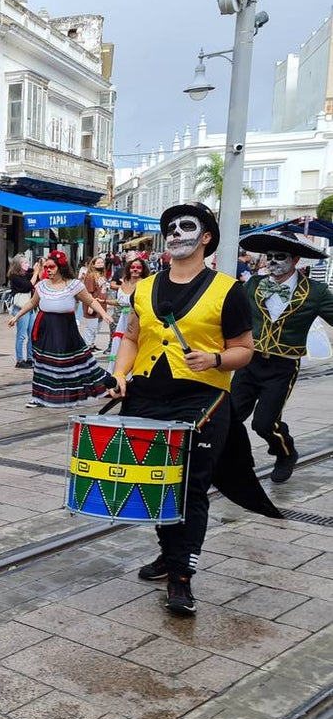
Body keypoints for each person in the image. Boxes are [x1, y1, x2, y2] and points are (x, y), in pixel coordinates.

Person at [109, 202, 255, 617]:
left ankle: (181, 577)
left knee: (190, 488)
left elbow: (244, 349)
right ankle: (167, 555)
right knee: (155, 483)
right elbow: (132, 337)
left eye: (185, 227)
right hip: (147, 396)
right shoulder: (144, 287)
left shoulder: (228, 290)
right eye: (169, 228)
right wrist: (120, 373)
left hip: (202, 400)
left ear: (206, 237)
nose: (175, 234)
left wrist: (215, 360)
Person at [231, 229, 333, 483]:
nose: (272, 262)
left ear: (295, 259)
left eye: (280, 256)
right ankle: (235, 461)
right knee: (230, 417)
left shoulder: (316, 292)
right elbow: (229, 316)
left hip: (282, 367)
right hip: (248, 361)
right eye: (269, 256)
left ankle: (285, 452)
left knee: (264, 424)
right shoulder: (252, 285)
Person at [7, 250, 114, 408]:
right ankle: (39, 397)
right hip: (44, 327)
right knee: (42, 363)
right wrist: (17, 316)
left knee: (73, 362)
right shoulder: (42, 285)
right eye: (46, 267)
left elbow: (90, 301)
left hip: (65, 329)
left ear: (61, 267)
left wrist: (104, 313)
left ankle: (108, 385)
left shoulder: (74, 285)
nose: (48, 269)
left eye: (51, 266)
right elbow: (32, 303)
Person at [108, 257, 147, 371]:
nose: (135, 270)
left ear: (142, 269)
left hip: (136, 319)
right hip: (122, 319)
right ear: (129, 268)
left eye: (138, 267)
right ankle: (117, 373)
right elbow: (120, 302)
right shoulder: (124, 282)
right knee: (119, 345)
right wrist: (104, 302)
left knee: (133, 344)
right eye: (133, 267)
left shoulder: (145, 283)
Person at [8, 255, 36, 368]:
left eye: (27, 262)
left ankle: (30, 358)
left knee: (32, 334)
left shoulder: (27, 274)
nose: (27, 265)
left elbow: (34, 273)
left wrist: (38, 267)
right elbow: (28, 286)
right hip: (20, 307)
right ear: (18, 265)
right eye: (24, 263)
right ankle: (19, 360)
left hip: (30, 307)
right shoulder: (14, 276)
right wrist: (35, 273)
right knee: (22, 335)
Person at [81, 257, 109, 350]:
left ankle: (92, 343)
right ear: (93, 264)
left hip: (102, 305)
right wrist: (90, 305)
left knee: (98, 326)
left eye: (102, 262)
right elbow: (89, 292)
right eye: (98, 262)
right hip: (93, 305)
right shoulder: (90, 276)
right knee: (91, 327)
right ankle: (88, 345)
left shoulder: (101, 275)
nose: (101, 264)